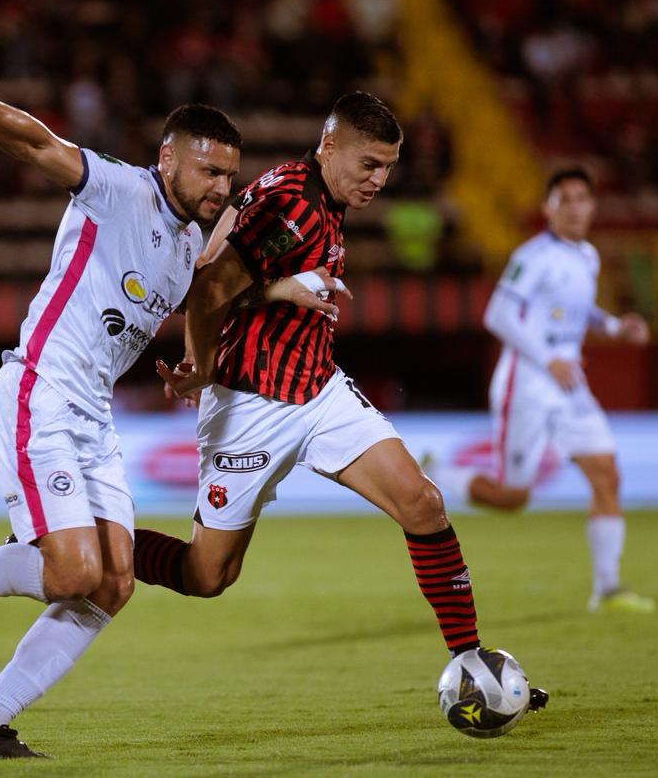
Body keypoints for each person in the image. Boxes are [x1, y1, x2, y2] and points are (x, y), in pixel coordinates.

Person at [0, 34, 332, 761]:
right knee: (73, 574)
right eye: (209, 170)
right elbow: (36, 144)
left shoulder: (185, 249)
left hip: (93, 418)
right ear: (169, 157)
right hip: (37, 395)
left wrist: (194, 365)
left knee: (113, 585)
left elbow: (205, 298)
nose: (220, 188)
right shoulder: (120, 189)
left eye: (229, 177)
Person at [135, 93, 547, 711]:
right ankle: (86, 537)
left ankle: (470, 661)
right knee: (207, 576)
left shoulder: (321, 195)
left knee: (423, 503)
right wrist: (206, 363)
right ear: (329, 147)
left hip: (319, 391)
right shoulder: (290, 201)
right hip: (250, 406)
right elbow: (205, 289)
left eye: (388, 167)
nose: (378, 180)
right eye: (369, 164)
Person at [426, 167, 655, 613]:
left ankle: (607, 589)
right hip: (527, 383)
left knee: (607, 475)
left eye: (581, 199)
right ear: (549, 207)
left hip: (569, 384)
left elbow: (574, 306)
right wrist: (547, 358)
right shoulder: (533, 256)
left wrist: (613, 324)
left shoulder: (587, 256)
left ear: (591, 206)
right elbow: (497, 315)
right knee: (513, 498)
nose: (574, 207)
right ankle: (437, 474)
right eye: (564, 199)